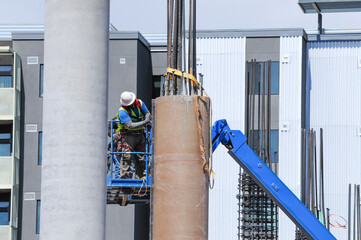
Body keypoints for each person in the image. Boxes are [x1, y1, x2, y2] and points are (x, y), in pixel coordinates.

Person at [114, 91, 151, 179]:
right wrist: (145, 122)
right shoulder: (122, 111)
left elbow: (147, 113)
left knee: (141, 158)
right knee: (127, 158)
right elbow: (130, 125)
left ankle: (141, 180)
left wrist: (147, 118)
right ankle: (125, 181)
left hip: (140, 135)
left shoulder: (140, 103)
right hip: (128, 136)